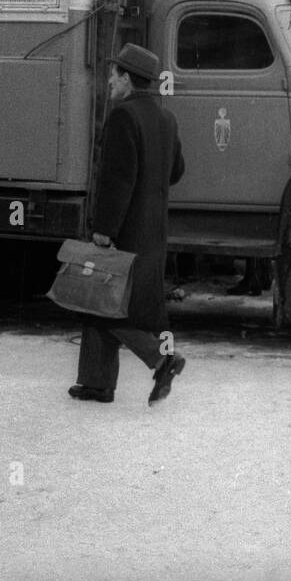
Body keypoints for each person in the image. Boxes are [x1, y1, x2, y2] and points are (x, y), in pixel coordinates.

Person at [70, 44, 185, 406]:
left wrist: (105, 228)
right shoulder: (166, 119)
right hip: (154, 232)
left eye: (113, 75)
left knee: (108, 305)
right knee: (101, 302)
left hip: (125, 232)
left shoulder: (123, 116)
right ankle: (95, 383)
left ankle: (160, 358)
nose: (109, 82)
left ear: (127, 79)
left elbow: (118, 180)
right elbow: (177, 171)